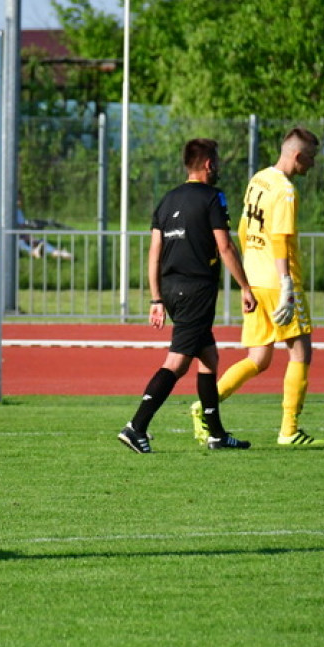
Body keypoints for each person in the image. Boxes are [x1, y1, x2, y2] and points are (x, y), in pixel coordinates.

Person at [118, 138, 256, 454]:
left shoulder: (166, 201)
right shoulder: (213, 197)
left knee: (209, 357)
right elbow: (225, 246)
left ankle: (217, 434)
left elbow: (155, 253)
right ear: (208, 164)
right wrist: (245, 287)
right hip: (196, 290)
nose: (218, 167)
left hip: (170, 289)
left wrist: (156, 299)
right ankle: (136, 426)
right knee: (177, 363)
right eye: (216, 161)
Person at [192, 127, 324, 447]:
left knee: (259, 358)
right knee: (301, 352)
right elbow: (279, 238)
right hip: (278, 282)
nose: (313, 165)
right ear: (297, 156)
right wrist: (287, 284)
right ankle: (289, 430)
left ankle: (204, 406)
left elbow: (241, 226)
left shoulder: (259, 179)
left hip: (255, 278)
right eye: (311, 158)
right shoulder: (285, 190)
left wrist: (247, 276)